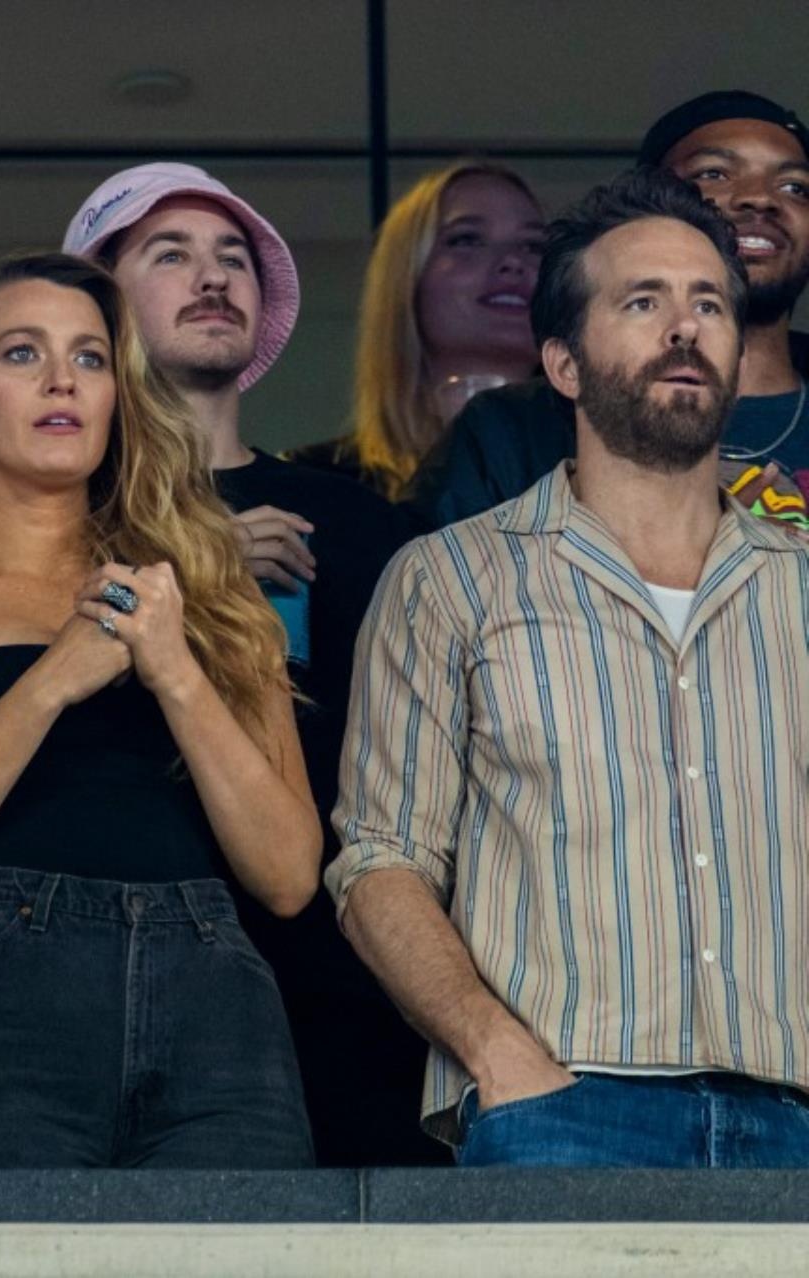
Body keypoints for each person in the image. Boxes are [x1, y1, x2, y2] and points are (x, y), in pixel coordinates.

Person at [330, 169, 809, 1167]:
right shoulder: (450, 580)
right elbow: (380, 863)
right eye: (643, 303)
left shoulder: (800, 586)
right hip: (560, 1110)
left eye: (709, 304)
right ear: (562, 363)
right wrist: (496, 1055)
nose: (685, 328)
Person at [0, 253, 320, 1168]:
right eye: (22, 353)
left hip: (216, 1014)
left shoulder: (211, 594)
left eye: (90, 358)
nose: (62, 380)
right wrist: (51, 679)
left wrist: (176, 671)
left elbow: (289, 875)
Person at [66, 163, 436, 1165]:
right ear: (99, 307)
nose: (214, 275)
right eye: (171, 254)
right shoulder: (54, 519)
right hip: (119, 967)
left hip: (341, 976)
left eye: (234, 257)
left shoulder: (360, 521)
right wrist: (197, 566)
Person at [410, 92, 809, 530]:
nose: (760, 198)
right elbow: (449, 568)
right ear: (649, 206)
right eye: (714, 172)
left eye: (795, 187)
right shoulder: (510, 430)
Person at [288, 163, 544, 500]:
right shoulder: (318, 483)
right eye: (467, 239)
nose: (513, 261)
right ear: (405, 277)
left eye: (534, 245)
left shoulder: (595, 475)